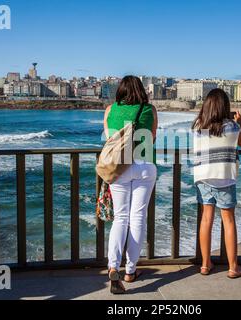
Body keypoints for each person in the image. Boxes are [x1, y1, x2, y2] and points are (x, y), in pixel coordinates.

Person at [103, 76, 158, 294]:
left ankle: (113, 266)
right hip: (144, 165)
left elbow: (109, 139)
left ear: (120, 91)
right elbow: (152, 138)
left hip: (119, 168)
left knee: (121, 217)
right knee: (137, 218)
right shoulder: (150, 110)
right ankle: (130, 270)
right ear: (141, 90)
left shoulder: (110, 110)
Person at [192, 88, 241, 278]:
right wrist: (239, 121)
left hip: (203, 177)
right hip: (224, 176)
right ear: (225, 107)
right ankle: (233, 267)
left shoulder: (197, 126)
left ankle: (205, 264)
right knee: (229, 220)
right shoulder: (232, 127)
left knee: (206, 219)